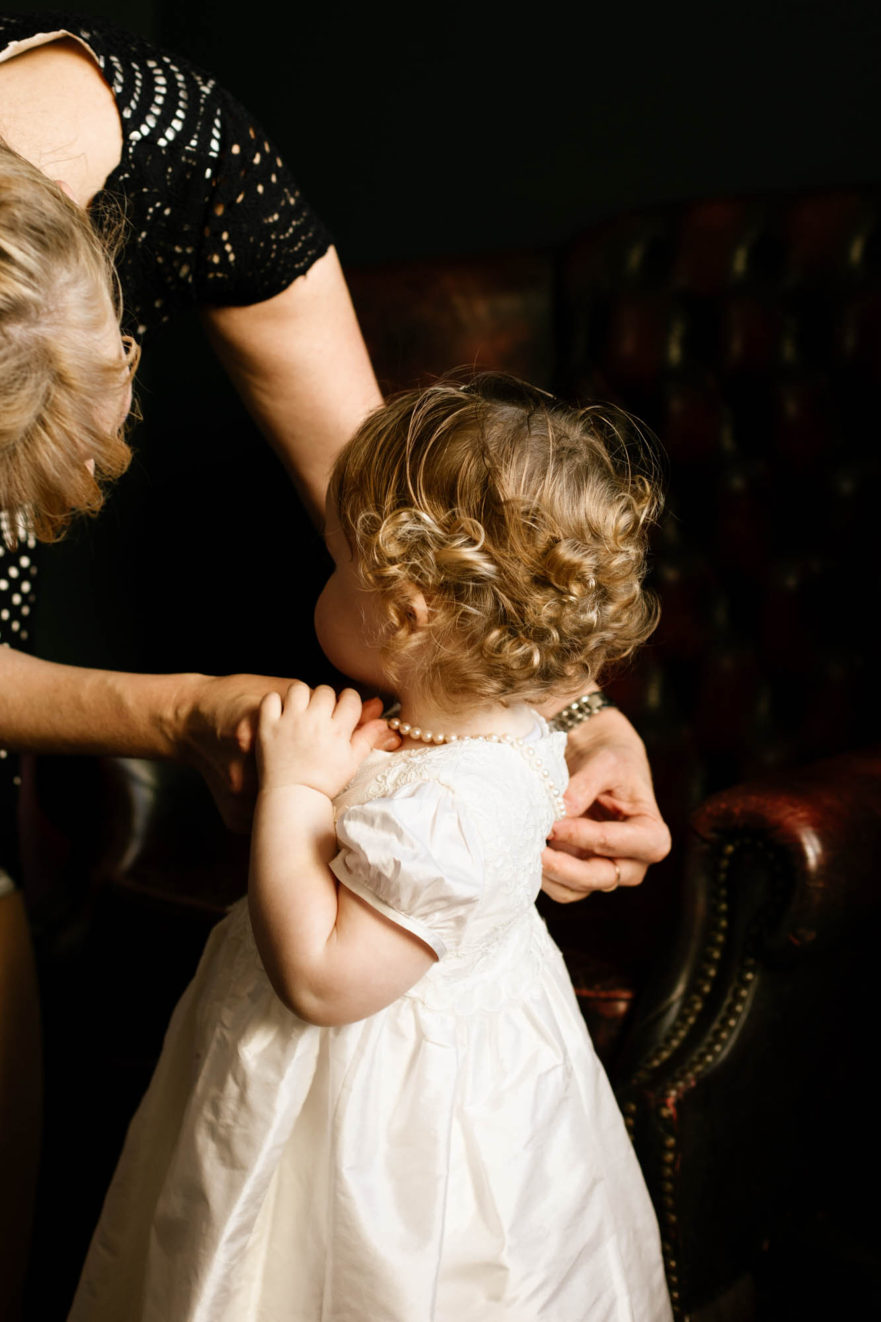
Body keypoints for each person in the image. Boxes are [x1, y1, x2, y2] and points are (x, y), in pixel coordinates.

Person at [0, 10, 669, 1316]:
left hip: (384, 1135)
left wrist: (574, 709)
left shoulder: (186, 155)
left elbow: (408, 513)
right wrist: (195, 714)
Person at [68, 372, 673, 1321]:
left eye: (336, 561)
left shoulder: (451, 809)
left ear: (407, 610)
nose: (325, 577)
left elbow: (321, 981)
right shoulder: (509, 728)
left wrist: (299, 787)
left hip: (376, 1120)